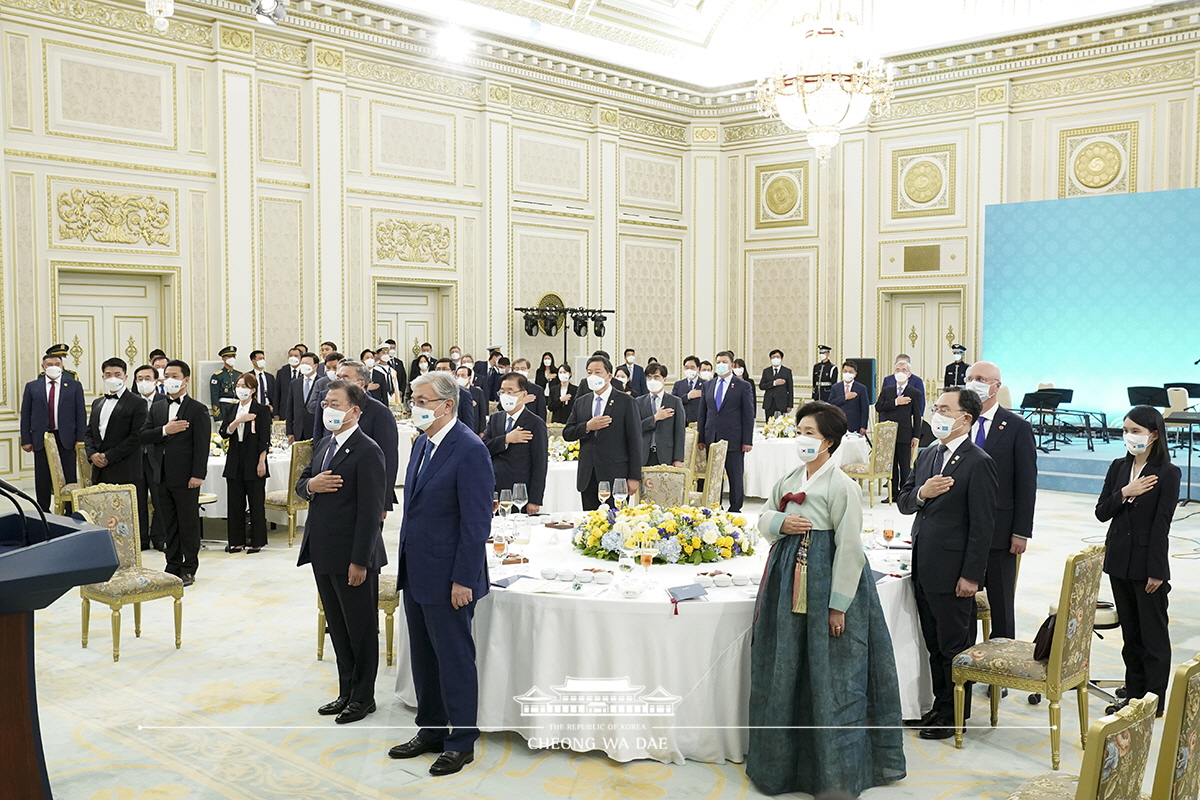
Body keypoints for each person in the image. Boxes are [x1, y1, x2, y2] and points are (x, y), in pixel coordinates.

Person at [749, 402, 906, 796]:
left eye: (810, 433)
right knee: (786, 665)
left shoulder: (842, 486)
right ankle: (784, 766)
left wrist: (838, 605)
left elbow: (850, 547)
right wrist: (780, 522)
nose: (802, 438)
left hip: (824, 580)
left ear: (828, 441)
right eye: (799, 430)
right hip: (787, 580)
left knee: (832, 674)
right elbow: (764, 517)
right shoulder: (788, 477)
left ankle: (834, 771)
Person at [390, 371, 493, 775]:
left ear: (446, 405)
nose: (413, 406)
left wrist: (464, 579)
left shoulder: (469, 449)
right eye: (412, 398)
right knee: (424, 656)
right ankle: (430, 729)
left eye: (421, 399)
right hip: (417, 570)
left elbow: (475, 522)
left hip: (451, 576)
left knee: (454, 659)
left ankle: (461, 740)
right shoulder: (421, 443)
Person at [897, 388, 997, 740]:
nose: (936, 414)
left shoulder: (978, 461)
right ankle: (939, 706)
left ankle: (956, 714)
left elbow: (983, 526)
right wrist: (924, 492)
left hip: (955, 571)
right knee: (933, 642)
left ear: (965, 418)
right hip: (924, 565)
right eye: (936, 408)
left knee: (954, 646)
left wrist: (972, 575)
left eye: (944, 409)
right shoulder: (926, 454)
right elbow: (904, 501)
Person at [295, 380, 388, 725]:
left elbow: (369, 513)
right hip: (322, 550)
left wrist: (360, 561)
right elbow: (302, 481)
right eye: (324, 404)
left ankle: (364, 697)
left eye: (335, 404)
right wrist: (311, 486)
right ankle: (346, 690)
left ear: (354, 411)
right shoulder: (324, 444)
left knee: (361, 629)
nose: (328, 410)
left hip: (352, 555)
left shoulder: (368, 450)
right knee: (338, 625)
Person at [1095, 406, 1180, 717]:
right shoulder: (1118, 467)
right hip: (1118, 562)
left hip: (1148, 566)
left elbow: (1162, 526)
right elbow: (1102, 511)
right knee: (1130, 635)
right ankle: (1133, 694)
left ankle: (1153, 701)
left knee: (1153, 637)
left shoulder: (1168, 473)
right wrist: (1125, 492)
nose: (1128, 436)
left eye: (1135, 431)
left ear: (1153, 435)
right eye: (1126, 430)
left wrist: (1157, 570)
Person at [964, 362, 1037, 640]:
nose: (973, 383)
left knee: (1002, 600)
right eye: (969, 378)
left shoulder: (1017, 427)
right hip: (962, 526)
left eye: (980, 378)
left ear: (996, 386)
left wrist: (1021, 531)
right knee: (963, 596)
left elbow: (1026, 483)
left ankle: (1001, 666)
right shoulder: (960, 423)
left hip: (1001, 528)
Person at [141, 360, 211, 587]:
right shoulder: (158, 407)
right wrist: (164, 430)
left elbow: (202, 445)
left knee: (188, 523)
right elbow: (144, 435)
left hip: (187, 477)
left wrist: (198, 474)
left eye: (174, 375)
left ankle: (189, 567)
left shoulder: (197, 409)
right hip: (160, 475)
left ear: (185, 379)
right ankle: (172, 565)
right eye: (166, 375)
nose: (169, 379)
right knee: (167, 522)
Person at [563, 355, 642, 510]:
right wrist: (587, 426)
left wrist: (634, 477)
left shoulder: (625, 402)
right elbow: (568, 433)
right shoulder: (582, 402)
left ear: (609, 376)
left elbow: (635, 441)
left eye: (598, 372)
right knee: (590, 526)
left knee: (615, 523)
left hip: (615, 474)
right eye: (589, 372)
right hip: (588, 475)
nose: (593, 376)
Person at [84, 358, 150, 545]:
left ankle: (132, 548)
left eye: (117, 374)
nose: (112, 378)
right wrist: (92, 454)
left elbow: (136, 436)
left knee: (126, 516)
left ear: (126, 377)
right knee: (103, 513)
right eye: (108, 375)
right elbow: (89, 432)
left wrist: (109, 456)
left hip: (125, 466)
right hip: (100, 468)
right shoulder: (97, 403)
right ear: (103, 376)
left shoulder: (137, 403)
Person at [20, 346, 86, 512]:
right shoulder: (32, 387)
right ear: (43, 367)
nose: (54, 367)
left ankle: (70, 510)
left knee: (69, 475)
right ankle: (43, 510)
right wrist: (26, 439)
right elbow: (26, 414)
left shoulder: (74, 385)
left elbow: (80, 414)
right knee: (42, 477)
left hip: (66, 438)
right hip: (41, 439)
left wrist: (80, 438)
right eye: (50, 364)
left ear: (62, 366)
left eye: (57, 363)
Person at [336, 360, 400, 517]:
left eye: (345, 377)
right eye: (338, 377)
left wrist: (384, 502)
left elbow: (389, 459)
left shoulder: (379, 413)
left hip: (366, 493)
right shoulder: (333, 409)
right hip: (336, 493)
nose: (338, 382)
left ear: (360, 384)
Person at [219, 372, 271, 553]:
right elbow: (224, 432)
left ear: (253, 389)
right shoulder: (232, 410)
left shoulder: (261, 410)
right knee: (235, 503)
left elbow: (265, 438)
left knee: (256, 503)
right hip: (235, 458)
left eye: (245, 386)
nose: (241, 389)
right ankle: (237, 540)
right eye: (239, 385)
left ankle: (256, 541)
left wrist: (261, 461)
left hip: (254, 457)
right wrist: (238, 420)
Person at [697, 351, 755, 513]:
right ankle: (716, 505)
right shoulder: (708, 385)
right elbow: (703, 412)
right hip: (712, 437)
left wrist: (747, 440)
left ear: (731, 365)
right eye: (718, 362)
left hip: (734, 439)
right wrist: (701, 437)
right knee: (714, 475)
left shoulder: (743, 386)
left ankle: (735, 507)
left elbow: (748, 414)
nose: (721, 365)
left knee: (735, 474)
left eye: (724, 362)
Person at [484, 372, 547, 513]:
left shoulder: (535, 423)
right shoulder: (495, 419)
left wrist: (535, 500)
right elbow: (484, 448)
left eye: (510, 392)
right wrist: (506, 439)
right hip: (495, 489)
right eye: (502, 391)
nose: (505, 395)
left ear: (523, 395)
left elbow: (540, 464)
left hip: (520, 492)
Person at [875, 360, 923, 503]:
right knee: (891, 465)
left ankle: (905, 494)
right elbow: (879, 407)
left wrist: (916, 436)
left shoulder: (914, 392)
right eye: (898, 370)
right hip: (888, 434)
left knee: (904, 465)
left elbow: (917, 416)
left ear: (909, 374)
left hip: (905, 433)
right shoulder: (887, 390)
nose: (900, 372)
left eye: (904, 370)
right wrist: (896, 402)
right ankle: (893, 493)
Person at [134, 364, 168, 551]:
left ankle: (159, 536)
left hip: (158, 456)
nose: (143, 382)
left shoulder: (165, 401)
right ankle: (141, 539)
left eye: (147, 378)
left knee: (159, 497)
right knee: (137, 499)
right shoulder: (130, 402)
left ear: (156, 380)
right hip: (135, 457)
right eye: (139, 379)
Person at [636, 364, 686, 467]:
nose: (652, 380)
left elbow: (680, 431)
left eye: (656, 377)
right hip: (644, 454)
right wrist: (655, 418)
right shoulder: (638, 402)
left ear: (664, 379)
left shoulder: (675, 401)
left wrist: (678, 459)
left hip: (666, 455)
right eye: (649, 377)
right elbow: (635, 428)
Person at [435, 358, 480, 433]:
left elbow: (468, 422)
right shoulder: (429, 392)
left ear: (453, 372)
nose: (441, 372)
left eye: (445, 369)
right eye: (438, 369)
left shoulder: (463, 394)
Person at [828, 362, 869, 435]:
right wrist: (845, 398)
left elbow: (864, 408)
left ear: (855, 374)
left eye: (850, 372)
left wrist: (863, 426)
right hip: (838, 423)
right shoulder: (835, 387)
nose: (847, 373)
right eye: (845, 371)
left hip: (854, 425)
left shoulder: (861, 388)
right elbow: (831, 403)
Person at [287, 353, 320, 443]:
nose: (304, 366)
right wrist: (289, 432)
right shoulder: (295, 383)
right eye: (302, 363)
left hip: (316, 429)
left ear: (315, 366)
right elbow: (290, 408)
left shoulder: (322, 383)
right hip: (298, 430)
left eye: (307, 363)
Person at [759, 349, 794, 422]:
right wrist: (774, 383)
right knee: (769, 424)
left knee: (781, 424)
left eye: (777, 357)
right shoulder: (766, 371)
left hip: (782, 402)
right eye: (773, 357)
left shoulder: (787, 371)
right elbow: (762, 386)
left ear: (781, 359)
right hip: (769, 403)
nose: (775, 359)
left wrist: (789, 405)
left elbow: (790, 389)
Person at [209, 345, 242, 419]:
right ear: (223, 358)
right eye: (229, 356)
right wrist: (217, 416)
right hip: (224, 408)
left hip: (238, 407)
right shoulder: (217, 376)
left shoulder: (239, 375)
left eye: (233, 356)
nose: (232, 358)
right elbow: (214, 396)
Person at [672, 355, 705, 424]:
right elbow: (673, 403)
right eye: (686, 368)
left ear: (698, 369)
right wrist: (688, 397)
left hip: (699, 422)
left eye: (692, 367)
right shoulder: (678, 384)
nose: (689, 370)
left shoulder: (705, 384)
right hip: (682, 422)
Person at [455, 365, 488, 433]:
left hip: (474, 428)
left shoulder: (478, 392)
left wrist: (482, 431)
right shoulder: (453, 392)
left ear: (469, 378)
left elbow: (482, 412)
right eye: (458, 375)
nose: (460, 378)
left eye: (463, 375)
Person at [275, 347, 303, 422]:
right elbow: (277, 393)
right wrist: (276, 414)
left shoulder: (305, 371)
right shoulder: (281, 372)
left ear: (301, 358)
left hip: (301, 411)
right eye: (291, 355)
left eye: (296, 356)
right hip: (284, 411)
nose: (293, 358)